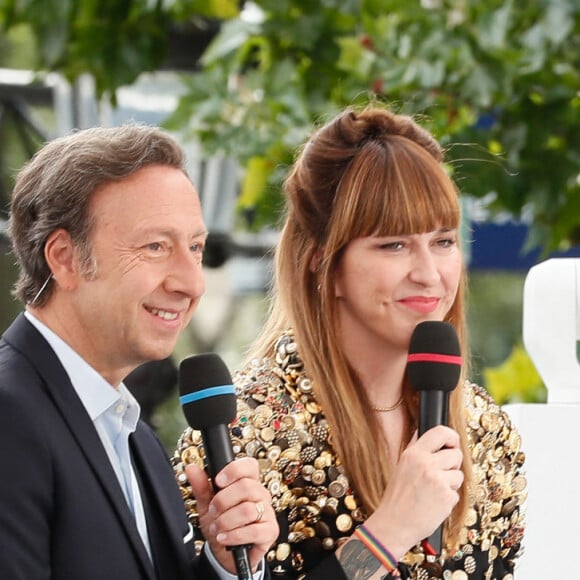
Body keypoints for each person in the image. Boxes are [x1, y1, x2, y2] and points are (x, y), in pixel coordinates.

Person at [174, 105, 527, 579]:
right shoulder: (248, 432)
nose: (428, 274)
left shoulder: (486, 430)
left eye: (443, 242)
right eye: (393, 245)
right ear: (324, 262)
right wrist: (389, 532)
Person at [0, 124, 278, 580]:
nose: (191, 282)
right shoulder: (9, 416)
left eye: (195, 248)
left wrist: (225, 565)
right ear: (65, 258)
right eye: (156, 246)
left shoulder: (136, 437)